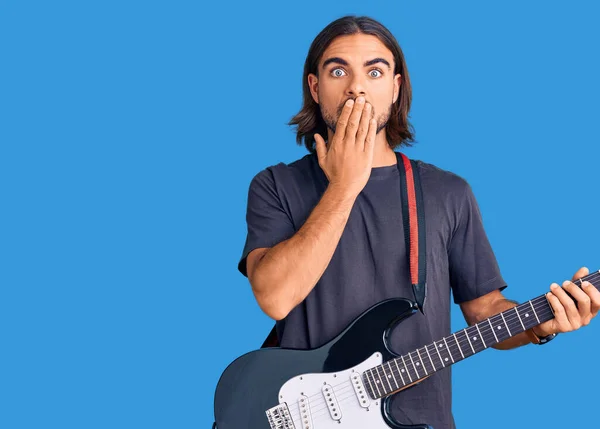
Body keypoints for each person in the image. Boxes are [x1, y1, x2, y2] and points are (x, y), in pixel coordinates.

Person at [236, 15, 599, 429]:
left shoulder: (448, 192)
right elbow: (275, 298)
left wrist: (540, 326)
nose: (356, 87)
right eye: (339, 70)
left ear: (395, 88)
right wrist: (344, 187)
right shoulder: (276, 184)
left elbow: (484, 311)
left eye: (375, 71)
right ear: (316, 88)